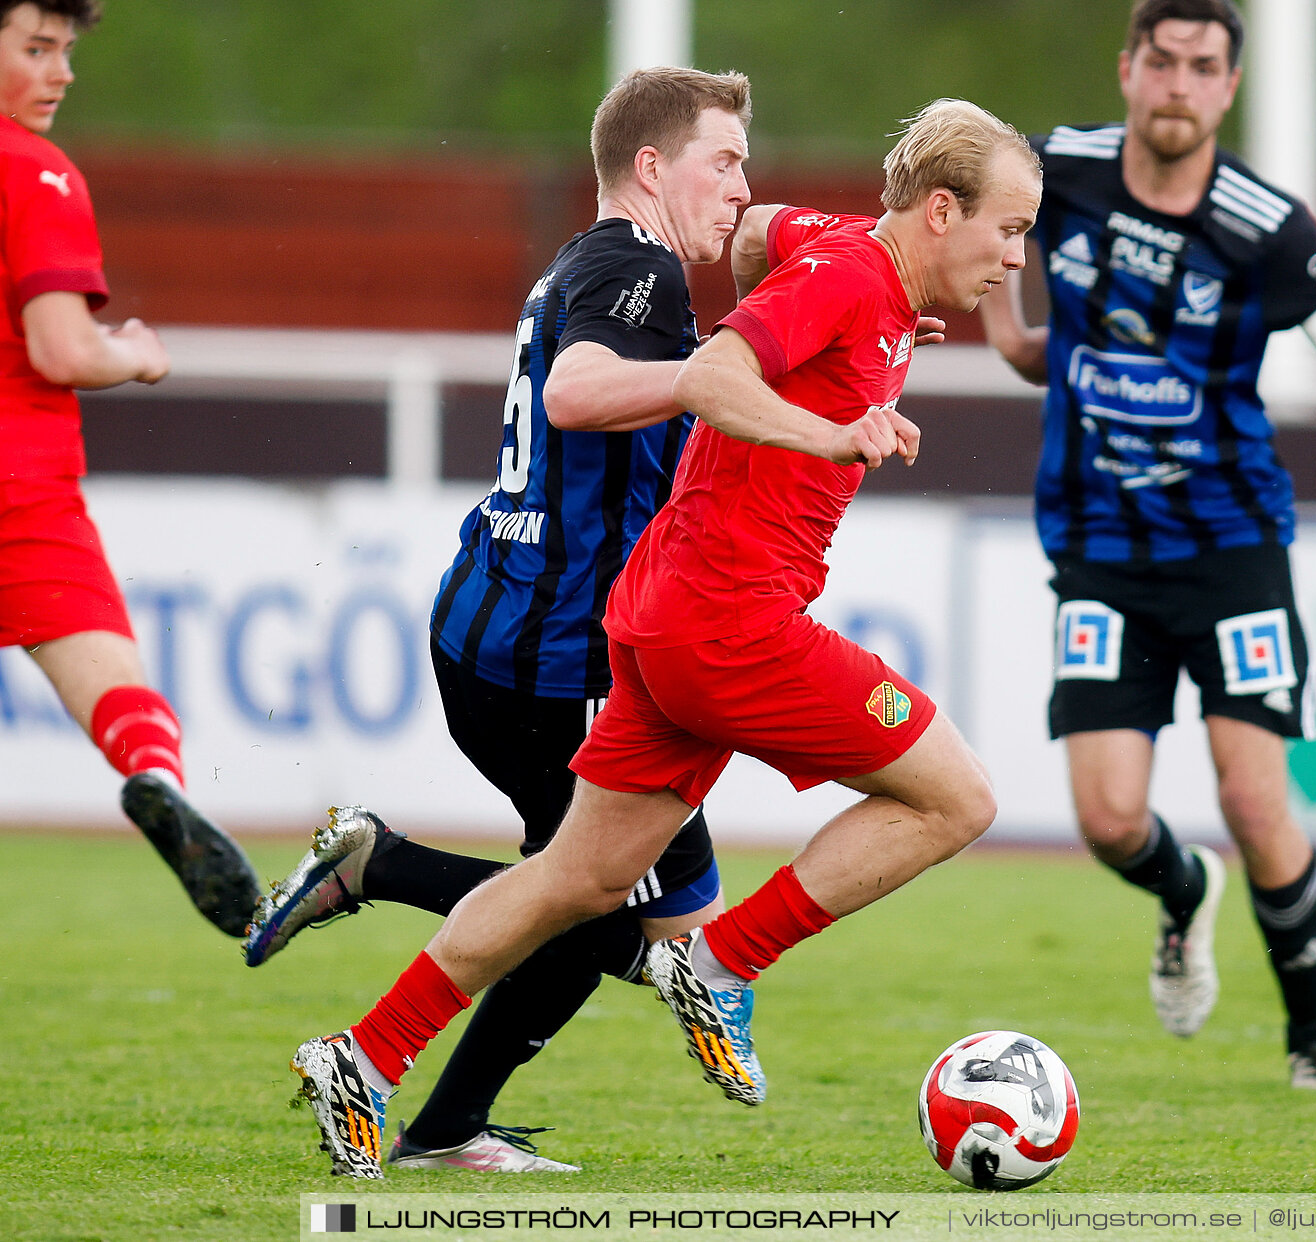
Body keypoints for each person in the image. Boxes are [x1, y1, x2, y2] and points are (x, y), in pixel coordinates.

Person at [284, 98, 1040, 1179]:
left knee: (575, 883)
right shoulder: (848, 278)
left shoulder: (842, 258)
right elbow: (722, 369)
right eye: (1007, 231)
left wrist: (836, 342)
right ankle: (723, 965)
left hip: (658, 617)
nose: (1016, 258)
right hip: (733, 625)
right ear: (939, 210)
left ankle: (361, 1055)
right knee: (958, 797)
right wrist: (832, 423)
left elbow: (753, 230)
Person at [243, 67, 760, 1174]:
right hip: (545, 658)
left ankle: (439, 1112)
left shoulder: (595, 262)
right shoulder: (637, 266)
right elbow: (578, 393)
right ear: (652, 167)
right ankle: (380, 882)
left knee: (591, 900)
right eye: (724, 162)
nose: (742, 189)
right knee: (620, 917)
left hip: (502, 630)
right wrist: (714, 378)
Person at [979, 0, 1316, 1091]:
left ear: (1229, 88)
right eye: (1163, 61)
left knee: (1255, 799)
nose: (1179, 84)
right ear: (1127, 69)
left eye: (1204, 67)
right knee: (1109, 821)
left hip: (1233, 547)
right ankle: (1182, 894)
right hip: (1100, 546)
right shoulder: (1057, 170)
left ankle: (1315, 1037)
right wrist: (1008, 328)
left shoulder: (1270, 226)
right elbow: (964, 200)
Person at [0, 0, 259, 936]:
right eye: (36, 49)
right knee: (102, 664)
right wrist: (137, 350)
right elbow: (62, 348)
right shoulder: (35, 172)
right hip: (21, 482)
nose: (61, 72)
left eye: (65, 52)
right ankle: (155, 780)